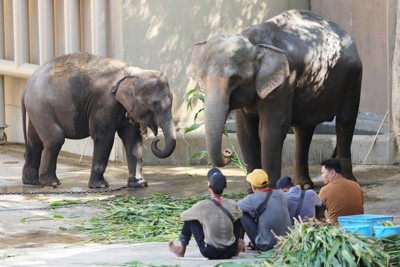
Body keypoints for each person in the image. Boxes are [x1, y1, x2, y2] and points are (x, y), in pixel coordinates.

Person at [168, 168, 244, 259]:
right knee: (238, 217)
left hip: (210, 252)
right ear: (224, 187)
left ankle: (181, 250)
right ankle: (237, 246)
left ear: (209, 186)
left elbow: (183, 216)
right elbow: (240, 214)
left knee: (190, 220)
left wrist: (203, 220)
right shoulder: (232, 204)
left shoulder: (202, 206)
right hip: (230, 251)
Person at [237, 169, 290, 251]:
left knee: (241, 213)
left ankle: (239, 245)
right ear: (268, 182)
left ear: (253, 187)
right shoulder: (281, 194)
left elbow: (234, 207)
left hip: (266, 245)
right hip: (284, 243)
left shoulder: (252, 199)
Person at [319, 158, 364, 223]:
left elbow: (319, 215)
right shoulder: (356, 185)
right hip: (359, 225)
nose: (321, 176)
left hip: (337, 229)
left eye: (323, 173)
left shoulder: (324, 190)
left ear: (333, 173)